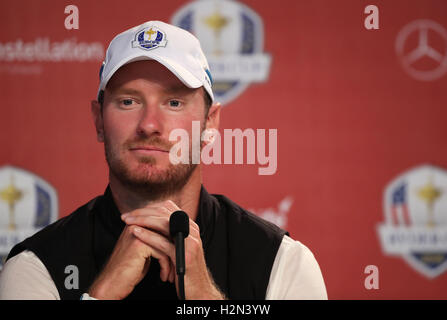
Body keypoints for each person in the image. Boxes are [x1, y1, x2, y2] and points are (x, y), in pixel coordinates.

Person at [0, 21, 327, 300]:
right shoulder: (36, 266)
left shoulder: (281, 262)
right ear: (99, 120)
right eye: (128, 101)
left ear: (210, 123)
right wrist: (102, 293)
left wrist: (205, 296)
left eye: (173, 102)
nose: (149, 125)